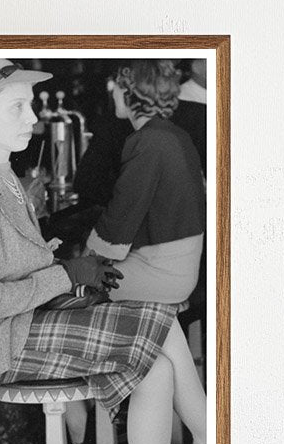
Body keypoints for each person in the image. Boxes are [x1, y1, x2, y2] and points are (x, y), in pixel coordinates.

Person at [0, 57, 207, 444]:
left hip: (20, 324)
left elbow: (12, 269)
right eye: (18, 107)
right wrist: (68, 275)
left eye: (30, 106)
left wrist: (65, 266)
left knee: (156, 364)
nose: (33, 118)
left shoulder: (2, 175)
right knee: (159, 327)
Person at [84, 59, 206, 306]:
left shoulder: (148, 140)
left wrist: (84, 261)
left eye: (116, 86)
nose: (112, 91)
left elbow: (122, 214)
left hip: (162, 272)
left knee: (72, 287)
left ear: (130, 93)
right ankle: (173, 346)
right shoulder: (172, 134)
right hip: (179, 267)